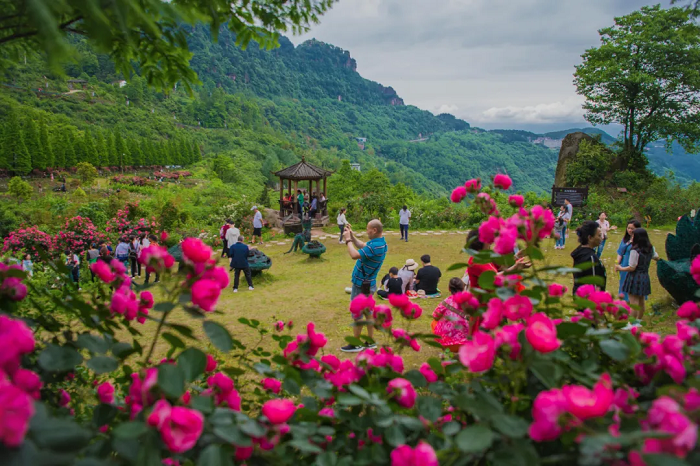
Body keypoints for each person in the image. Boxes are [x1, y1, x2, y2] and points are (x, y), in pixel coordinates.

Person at [341, 219, 387, 352]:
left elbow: (354, 255)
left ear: (374, 230)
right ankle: (370, 342)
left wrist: (348, 240)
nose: (366, 231)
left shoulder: (374, 246)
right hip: (369, 283)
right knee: (368, 312)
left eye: (368, 229)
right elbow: (363, 245)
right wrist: (352, 236)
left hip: (361, 285)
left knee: (358, 313)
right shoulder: (381, 243)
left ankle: (355, 344)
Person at [616, 228, 659, 322]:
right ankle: (639, 320)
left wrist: (620, 268)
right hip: (645, 276)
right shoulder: (650, 248)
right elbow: (656, 257)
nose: (632, 237)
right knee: (641, 300)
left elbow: (632, 267)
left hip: (634, 277)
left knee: (633, 302)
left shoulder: (634, 250)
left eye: (633, 236)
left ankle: (632, 323)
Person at [432, 278, 471, 351]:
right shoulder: (469, 301)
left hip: (448, 339)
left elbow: (435, 316)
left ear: (449, 289)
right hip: (466, 337)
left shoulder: (446, 302)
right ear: (463, 288)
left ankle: (446, 351)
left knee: (434, 323)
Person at [571, 220, 606, 293]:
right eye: (599, 235)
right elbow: (593, 284)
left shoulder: (580, 251)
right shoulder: (590, 258)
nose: (601, 238)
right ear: (590, 238)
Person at [616, 219, 642, 301]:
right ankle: (624, 301)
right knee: (623, 284)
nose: (630, 230)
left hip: (634, 265)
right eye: (628, 228)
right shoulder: (625, 239)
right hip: (624, 264)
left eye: (632, 228)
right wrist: (617, 263)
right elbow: (620, 252)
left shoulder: (640, 240)